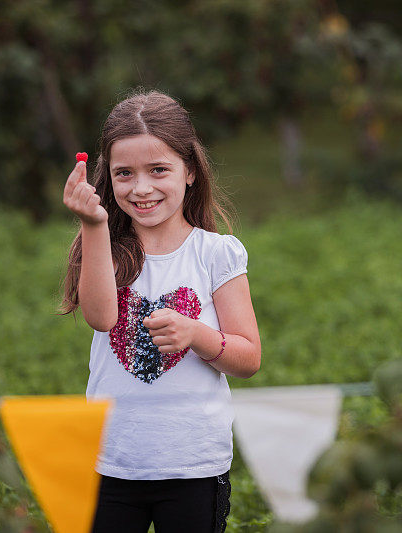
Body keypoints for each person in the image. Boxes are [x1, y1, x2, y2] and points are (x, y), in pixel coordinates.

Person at [59, 89, 261, 533]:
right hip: (111, 458)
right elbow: (101, 317)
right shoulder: (105, 249)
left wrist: (197, 334)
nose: (141, 188)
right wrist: (92, 226)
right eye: (124, 173)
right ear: (107, 178)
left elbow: (248, 358)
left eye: (159, 170)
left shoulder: (216, 254)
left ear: (189, 171)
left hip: (193, 462)